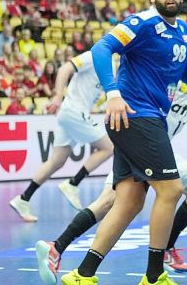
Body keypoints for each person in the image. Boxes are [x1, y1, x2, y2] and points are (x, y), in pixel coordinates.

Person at [60, 0, 187, 285]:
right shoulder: (140, 23)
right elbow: (101, 48)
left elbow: (186, 73)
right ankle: (154, 277)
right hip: (135, 116)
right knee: (170, 190)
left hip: (146, 117)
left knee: (129, 202)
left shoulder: (182, 30)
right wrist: (112, 93)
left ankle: (83, 274)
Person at [35, 30, 187, 285]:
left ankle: (160, 251)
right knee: (113, 201)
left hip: (160, 147)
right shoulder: (167, 68)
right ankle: (63, 248)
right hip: (143, 140)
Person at [8, 52, 115, 222]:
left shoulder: (112, 67)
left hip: (71, 113)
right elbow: (65, 68)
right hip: (73, 110)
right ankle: (73, 183)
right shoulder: (94, 55)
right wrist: (57, 95)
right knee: (109, 147)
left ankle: (23, 199)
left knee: (57, 161)